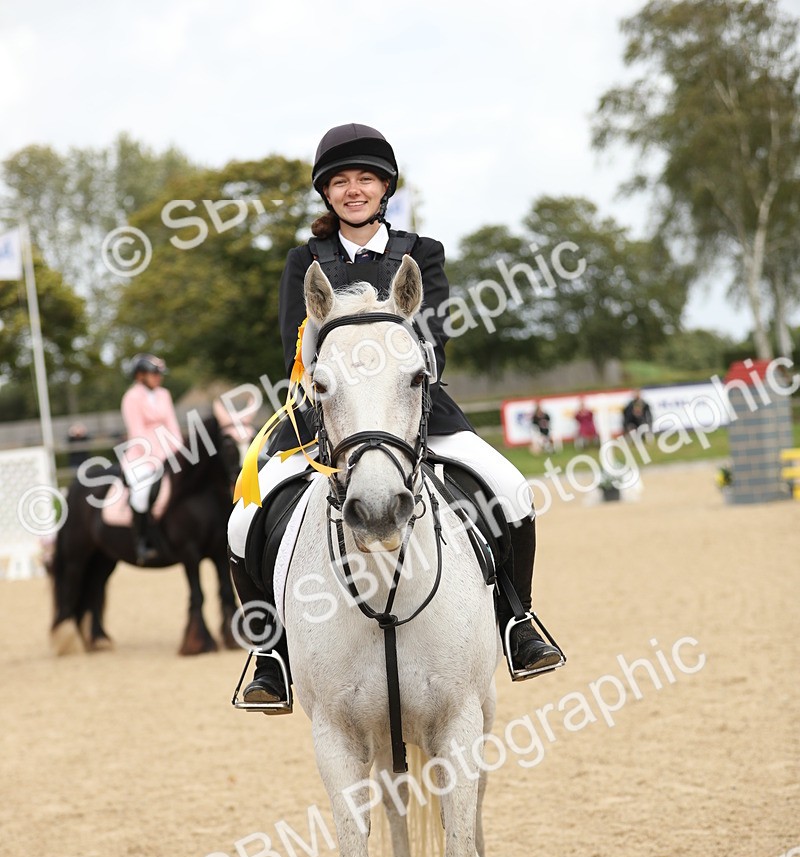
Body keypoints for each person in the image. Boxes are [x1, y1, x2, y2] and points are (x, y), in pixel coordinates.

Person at [228, 123, 562, 709]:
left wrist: (394, 379)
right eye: (340, 181)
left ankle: (518, 620)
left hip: (416, 409)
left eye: (365, 179)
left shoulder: (420, 253)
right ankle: (272, 654)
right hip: (327, 416)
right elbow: (294, 351)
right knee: (242, 520)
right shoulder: (303, 261)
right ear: (326, 194)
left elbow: (435, 339)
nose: (353, 190)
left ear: (384, 187)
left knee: (511, 490)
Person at [120, 353, 181, 564]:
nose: (158, 377)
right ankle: (142, 543)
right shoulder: (131, 398)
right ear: (139, 376)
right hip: (141, 456)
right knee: (141, 493)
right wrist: (157, 457)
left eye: (159, 374)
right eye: (154, 373)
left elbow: (172, 424)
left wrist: (180, 451)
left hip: (168, 452)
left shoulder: (164, 394)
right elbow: (136, 433)